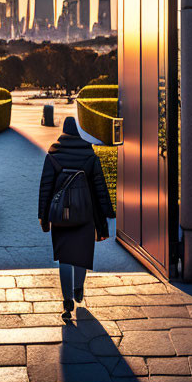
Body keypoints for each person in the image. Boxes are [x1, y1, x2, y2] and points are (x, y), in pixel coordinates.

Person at [37, 116, 115, 318]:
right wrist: (107, 211)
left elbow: (45, 188)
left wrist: (43, 216)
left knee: (65, 257)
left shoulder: (53, 154)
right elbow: (99, 187)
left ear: (63, 132)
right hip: (85, 214)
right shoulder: (90, 155)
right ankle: (78, 288)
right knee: (81, 253)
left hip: (61, 216)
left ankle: (66, 301)